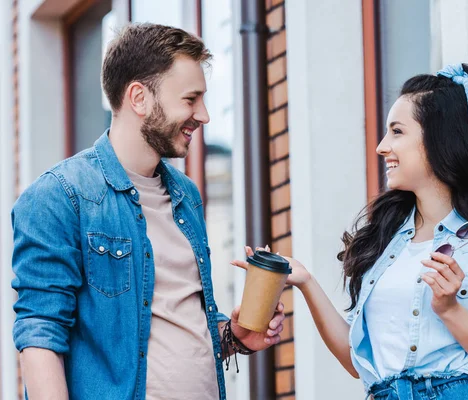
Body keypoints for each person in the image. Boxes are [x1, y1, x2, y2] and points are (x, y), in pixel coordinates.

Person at [234, 64, 468, 400]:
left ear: (439, 139)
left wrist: (450, 310)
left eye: (397, 131)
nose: (382, 147)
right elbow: (359, 363)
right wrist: (306, 282)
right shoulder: (387, 244)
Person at [11, 23, 285, 400]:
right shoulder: (59, 196)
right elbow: (40, 334)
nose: (203, 115)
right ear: (138, 97)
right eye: (191, 99)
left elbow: (169, 325)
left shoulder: (186, 195)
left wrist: (233, 337)